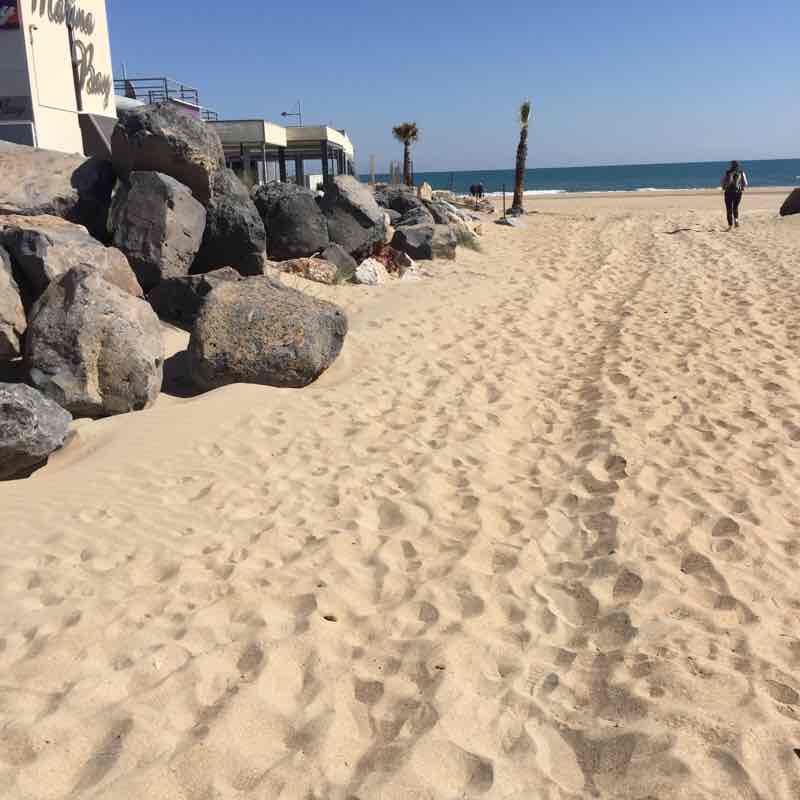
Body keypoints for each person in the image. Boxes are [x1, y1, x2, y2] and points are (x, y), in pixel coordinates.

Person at [720, 160, 748, 230]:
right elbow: (745, 183)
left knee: (729, 209)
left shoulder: (727, 172)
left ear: (731, 165)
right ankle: (736, 220)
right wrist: (741, 187)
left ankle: (730, 226)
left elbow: (722, 182)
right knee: (735, 207)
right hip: (738, 192)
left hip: (728, 192)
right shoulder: (741, 172)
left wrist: (724, 187)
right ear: (738, 165)